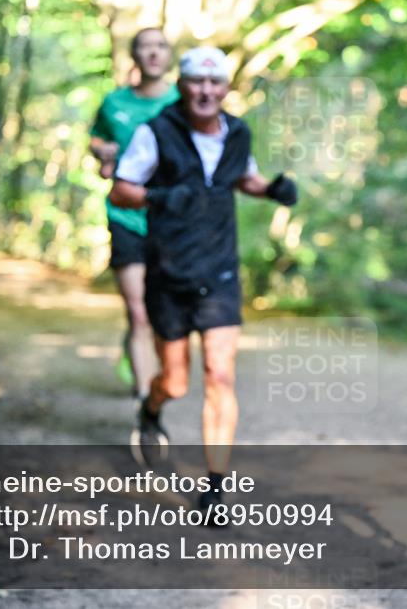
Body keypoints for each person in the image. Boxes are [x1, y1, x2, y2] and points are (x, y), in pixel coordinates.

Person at [109, 46, 298, 512]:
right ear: (182, 86)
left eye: (215, 84)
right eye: (197, 81)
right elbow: (121, 189)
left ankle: (215, 487)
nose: (206, 91)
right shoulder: (155, 132)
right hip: (169, 270)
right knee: (175, 382)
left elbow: (243, 178)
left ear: (227, 89)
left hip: (219, 272)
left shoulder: (237, 133)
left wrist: (272, 188)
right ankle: (151, 408)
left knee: (220, 375)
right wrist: (159, 197)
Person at [89, 27, 179, 398]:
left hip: (172, 220)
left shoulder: (183, 102)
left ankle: (144, 355)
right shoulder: (114, 103)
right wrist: (103, 153)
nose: (154, 53)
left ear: (169, 55)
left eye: (160, 46)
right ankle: (146, 403)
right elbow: (96, 138)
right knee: (138, 311)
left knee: (164, 311)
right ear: (135, 56)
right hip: (126, 216)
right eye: (145, 47)